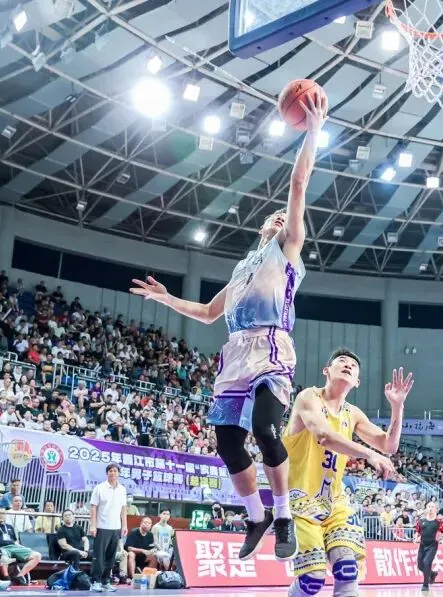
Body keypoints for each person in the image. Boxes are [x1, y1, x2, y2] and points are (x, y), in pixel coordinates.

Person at [130, 91, 330, 563]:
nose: (280, 217)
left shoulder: (288, 250)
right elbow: (206, 313)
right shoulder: (242, 268)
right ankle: (256, 516)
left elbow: (298, 183)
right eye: (273, 216)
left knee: (265, 428)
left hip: (271, 346)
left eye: (285, 216)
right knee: (226, 443)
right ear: (262, 226)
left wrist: (314, 132)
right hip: (235, 353)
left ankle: (283, 516)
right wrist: (164, 298)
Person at [272, 349, 410, 597]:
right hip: (299, 501)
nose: (348, 365)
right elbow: (323, 435)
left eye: (354, 365)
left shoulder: (353, 414)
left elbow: (389, 445)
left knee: (348, 570)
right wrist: (369, 454)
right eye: (341, 362)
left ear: (357, 381)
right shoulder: (308, 398)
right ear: (326, 370)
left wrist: (397, 408)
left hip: (335, 502)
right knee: (313, 578)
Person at [89, 464, 128, 592]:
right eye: (110, 471)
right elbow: (93, 507)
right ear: (107, 473)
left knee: (111, 557)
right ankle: (95, 581)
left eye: (115, 471)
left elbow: (123, 508)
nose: (113, 473)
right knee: (99, 556)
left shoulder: (122, 489)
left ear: (118, 474)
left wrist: (124, 525)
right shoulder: (99, 488)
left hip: (116, 528)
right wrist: (93, 525)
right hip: (101, 527)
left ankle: (105, 581)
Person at [0, 507, 41, 585]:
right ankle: (6, 578)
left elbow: (15, 541)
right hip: (0, 548)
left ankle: (20, 576)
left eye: (3, 513)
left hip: (13, 547)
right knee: (2, 555)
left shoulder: (9, 526)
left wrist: (22, 547)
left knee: (37, 555)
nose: (1, 515)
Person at [414, 502, 443, 591]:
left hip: (432, 546)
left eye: (432, 507)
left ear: (436, 509)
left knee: (427, 562)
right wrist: (416, 538)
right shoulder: (421, 521)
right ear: (426, 508)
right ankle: (432, 574)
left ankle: (425, 585)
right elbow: (417, 531)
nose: (430, 508)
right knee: (420, 565)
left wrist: (442, 539)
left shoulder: (439, 522)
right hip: (422, 545)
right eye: (429, 506)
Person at [123, 516, 156, 582]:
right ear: (141, 523)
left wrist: (152, 551)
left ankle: (147, 576)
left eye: (149, 523)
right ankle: (133, 577)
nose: (147, 525)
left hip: (144, 557)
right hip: (133, 556)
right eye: (145, 523)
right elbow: (128, 547)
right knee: (131, 554)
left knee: (153, 557)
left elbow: (152, 547)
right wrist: (142, 550)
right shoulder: (133, 533)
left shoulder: (150, 535)